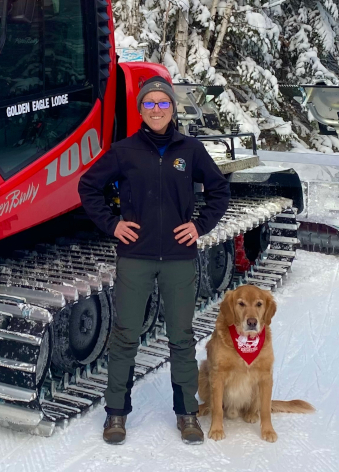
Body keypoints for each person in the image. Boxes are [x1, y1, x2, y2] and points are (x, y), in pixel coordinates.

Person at [78, 76, 230, 445]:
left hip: (179, 258)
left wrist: (199, 225)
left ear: (173, 109)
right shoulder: (125, 150)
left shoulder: (190, 150)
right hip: (136, 257)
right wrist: (113, 225)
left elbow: (219, 189)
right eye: (150, 104)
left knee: (181, 337)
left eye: (164, 103)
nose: (157, 109)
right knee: (126, 335)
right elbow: (88, 186)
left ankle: (186, 413)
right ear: (140, 110)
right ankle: (116, 414)